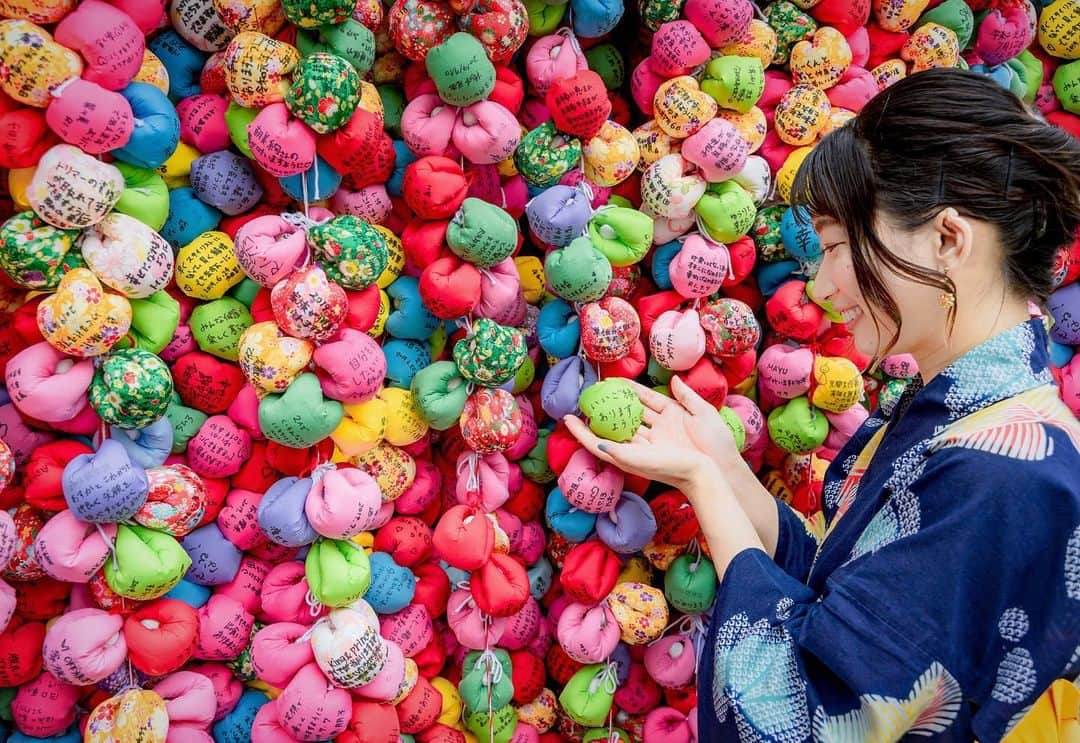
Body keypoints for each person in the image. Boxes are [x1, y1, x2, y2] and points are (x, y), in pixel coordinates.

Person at [564, 68, 1080, 741]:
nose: (822, 281)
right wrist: (726, 472)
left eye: (837, 245)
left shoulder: (1006, 473)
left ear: (949, 239)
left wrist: (705, 489)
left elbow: (805, 714)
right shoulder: (980, 424)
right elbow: (851, 609)